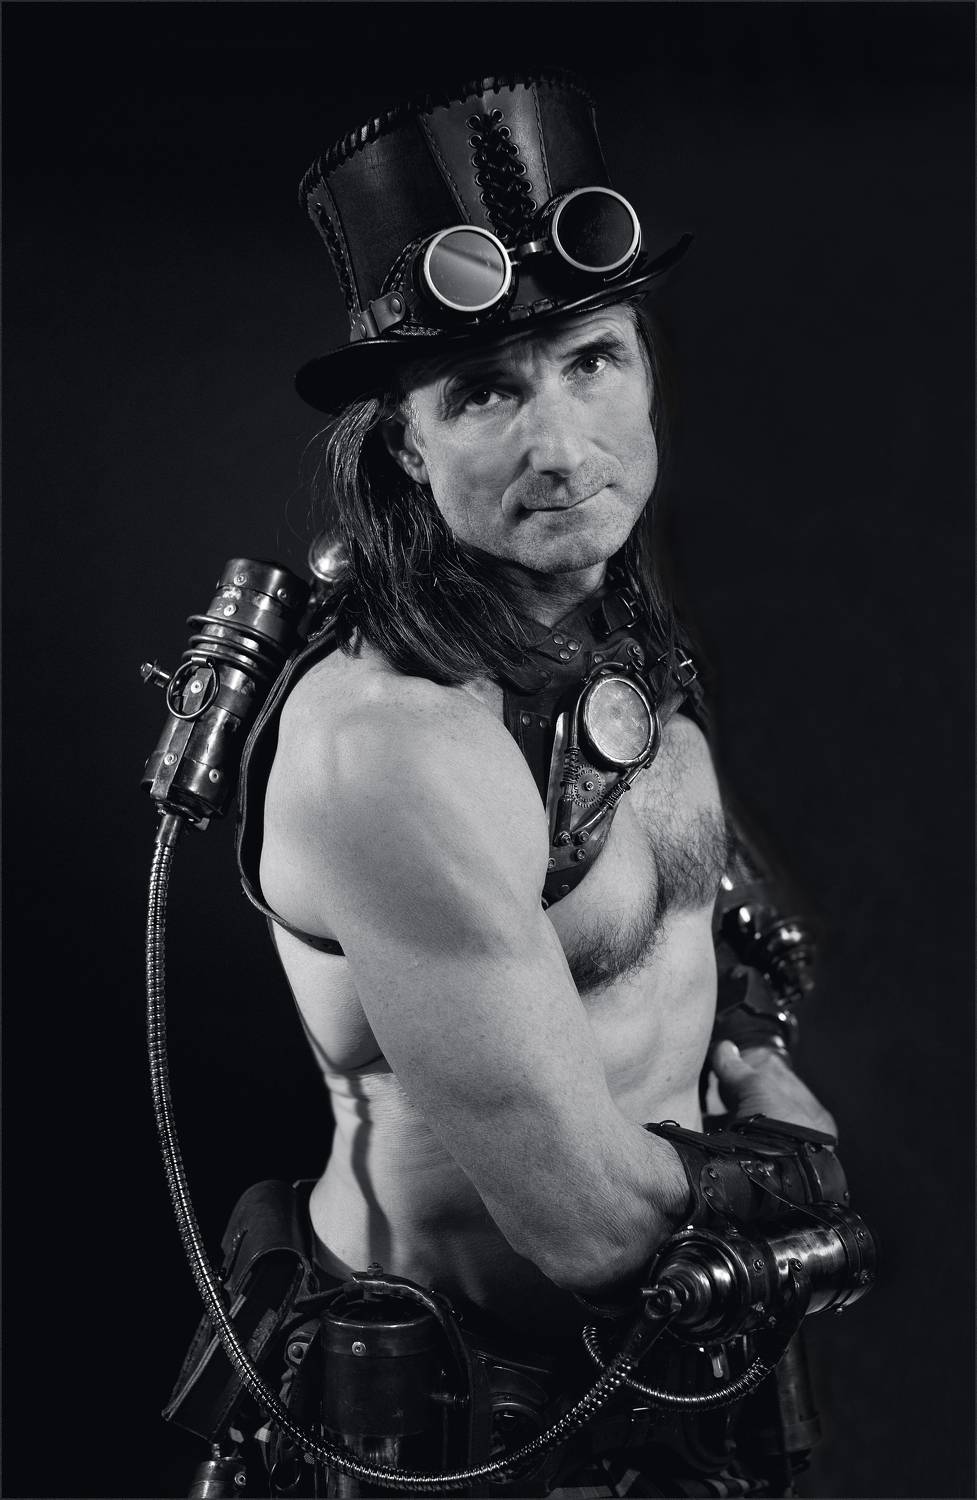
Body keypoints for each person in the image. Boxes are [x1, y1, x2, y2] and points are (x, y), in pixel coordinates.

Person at [167, 70, 839, 1498]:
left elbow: (674, 929)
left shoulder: (611, 635)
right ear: (404, 445)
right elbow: (588, 1226)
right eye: (483, 391)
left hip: (676, 1390)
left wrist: (747, 1040)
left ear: (644, 365)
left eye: (590, 360)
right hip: (458, 1431)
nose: (561, 447)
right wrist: (799, 1172)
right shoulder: (392, 746)